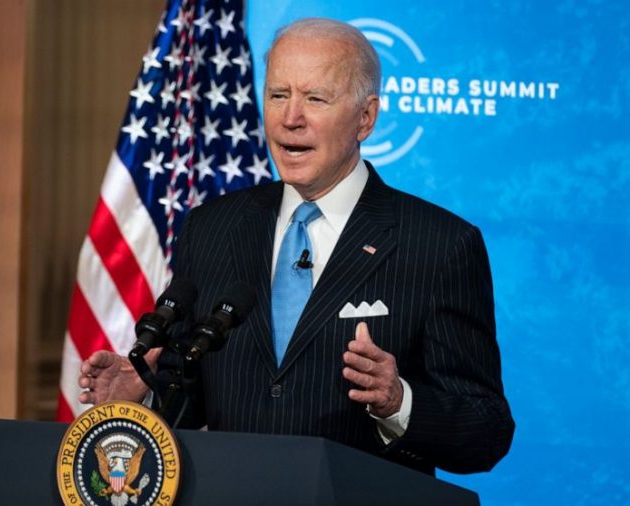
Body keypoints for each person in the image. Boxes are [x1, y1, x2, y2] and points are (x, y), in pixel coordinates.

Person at [78, 17, 514, 474]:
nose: (291, 118)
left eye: (315, 99)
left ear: (366, 118)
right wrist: (145, 393)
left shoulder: (439, 245)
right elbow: (195, 399)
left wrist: (398, 402)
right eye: (279, 95)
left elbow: (486, 432)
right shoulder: (211, 228)